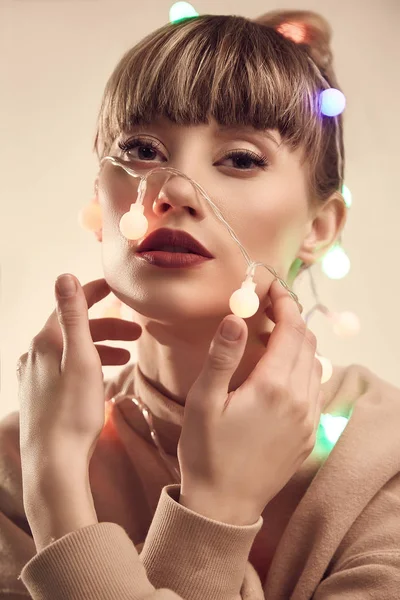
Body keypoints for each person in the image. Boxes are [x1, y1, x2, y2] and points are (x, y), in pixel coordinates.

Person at [1, 9, 400, 600]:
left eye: (241, 158)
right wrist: (51, 478)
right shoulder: (19, 463)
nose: (173, 188)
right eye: (141, 148)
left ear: (320, 227)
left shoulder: (383, 460)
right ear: (99, 201)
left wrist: (212, 512)